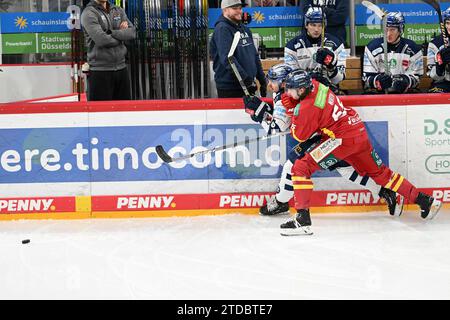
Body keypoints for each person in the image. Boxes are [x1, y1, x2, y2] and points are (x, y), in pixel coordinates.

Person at [278, 70, 442, 236]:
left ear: (301, 90)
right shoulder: (317, 85)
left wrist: (292, 110)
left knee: (300, 168)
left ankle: (302, 220)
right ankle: (425, 200)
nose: (288, 93)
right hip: (357, 131)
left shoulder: (307, 107)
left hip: (341, 140)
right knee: (381, 173)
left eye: (291, 90)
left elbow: (300, 135)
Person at [244, 64, 403, 217]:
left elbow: (277, 129)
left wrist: (260, 115)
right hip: (330, 134)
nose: (270, 85)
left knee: (292, 165)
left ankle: (280, 202)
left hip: (324, 136)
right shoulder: (296, 88)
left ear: (285, 82)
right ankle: (385, 191)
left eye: (273, 81)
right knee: (345, 168)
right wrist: (265, 112)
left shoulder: (286, 95)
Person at [210, 0, 267, 98]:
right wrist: (247, 81)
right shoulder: (222, 29)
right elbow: (228, 59)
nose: (239, 11)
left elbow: (254, 55)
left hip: (248, 86)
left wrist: (262, 80)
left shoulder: (245, 29)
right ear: (225, 10)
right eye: (235, 8)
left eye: (240, 8)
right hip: (231, 88)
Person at [81, 0, 136, 101]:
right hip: (100, 72)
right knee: (100, 114)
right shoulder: (89, 13)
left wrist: (112, 33)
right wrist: (121, 35)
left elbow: (132, 33)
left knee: (123, 113)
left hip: (121, 69)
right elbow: (102, 40)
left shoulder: (118, 10)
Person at [284, 6, 346, 92]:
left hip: (329, 91)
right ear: (306, 25)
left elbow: (338, 79)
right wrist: (311, 78)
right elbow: (291, 79)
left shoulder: (336, 44)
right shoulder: (292, 47)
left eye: (320, 25)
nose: (316, 29)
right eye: (313, 25)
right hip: (303, 93)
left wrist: (331, 66)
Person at [362, 12, 423, 94]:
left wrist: (406, 82)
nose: (388, 34)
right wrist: (378, 80)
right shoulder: (372, 47)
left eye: (392, 30)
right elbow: (366, 79)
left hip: (403, 94)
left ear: (400, 30)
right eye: (386, 29)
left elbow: (417, 77)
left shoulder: (413, 49)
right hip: (379, 94)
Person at [427, 7, 450, 93]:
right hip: (443, 83)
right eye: (447, 23)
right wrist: (440, 66)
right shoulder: (435, 43)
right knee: (434, 95)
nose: (449, 27)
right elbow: (432, 76)